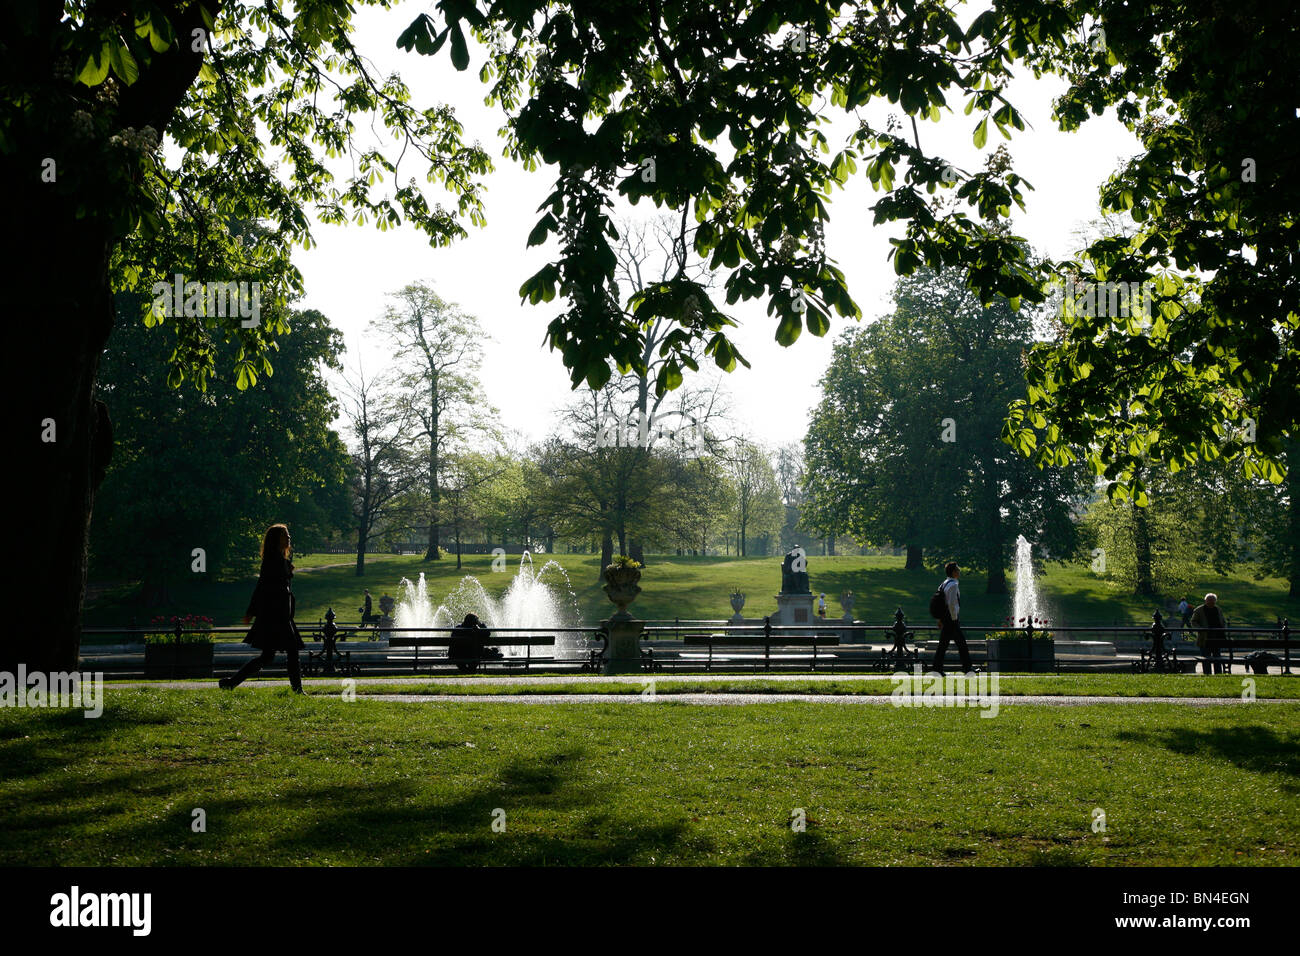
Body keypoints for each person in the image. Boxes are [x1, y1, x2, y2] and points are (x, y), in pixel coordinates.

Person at [220, 524, 304, 693]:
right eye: (285, 535)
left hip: (281, 615)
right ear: (276, 539)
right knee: (290, 652)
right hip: (276, 616)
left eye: (288, 535)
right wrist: (251, 612)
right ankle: (297, 691)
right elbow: (262, 587)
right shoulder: (273, 561)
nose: (289, 538)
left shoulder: (278, 559)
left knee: (268, 656)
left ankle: (231, 683)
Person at [932, 562, 973, 675]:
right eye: (957, 570)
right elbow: (951, 604)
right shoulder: (953, 585)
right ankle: (967, 668)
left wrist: (940, 619)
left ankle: (937, 668)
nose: (959, 572)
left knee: (943, 645)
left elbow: (942, 603)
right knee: (961, 644)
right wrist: (955, 619)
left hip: (946, 618)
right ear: (954, 572)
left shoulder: (944, 583)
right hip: (951, 619)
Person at [1190, 593, 1228, 673]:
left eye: (1212, 601)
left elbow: (1223, 621)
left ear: (1215, 601)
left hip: (1217, 637)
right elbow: (1193, 622)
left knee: (1217, 657)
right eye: (1209, 601)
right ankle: (1207, 673)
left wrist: (1223, 629)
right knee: (1206, 657)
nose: (1211, 603)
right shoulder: (1199, 610)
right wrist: (1201, 629)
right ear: (1205, 600)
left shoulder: (1218, 609)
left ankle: (1218, 673)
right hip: (1205, 638)